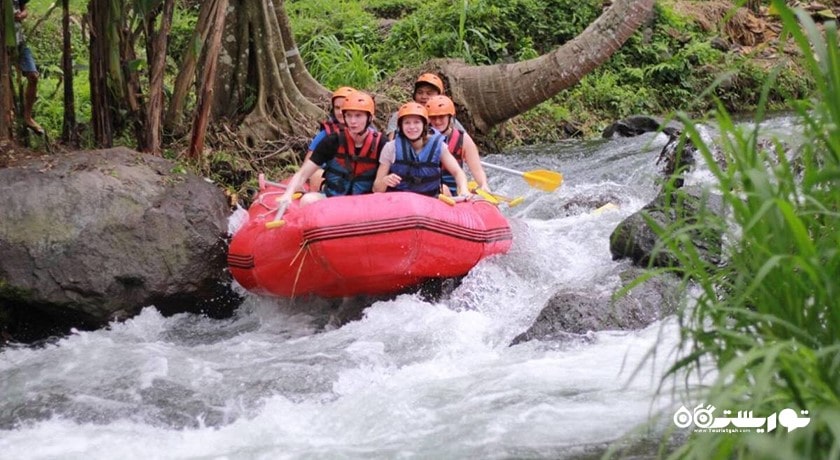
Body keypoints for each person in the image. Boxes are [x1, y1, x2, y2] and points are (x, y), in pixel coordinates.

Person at [279, 90, 386, 207]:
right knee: (307, 200)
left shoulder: (381, 143)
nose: (353, 121)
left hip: (366, 203)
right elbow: (303, 174)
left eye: (358, 116)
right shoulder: (332, 141)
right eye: (349, 115)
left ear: (370, 118)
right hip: (333, 200)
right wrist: (288, 194)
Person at [374, 102, 470, 197]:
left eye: (417, 122)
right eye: (407, 123)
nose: (412, 127)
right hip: (400, 201)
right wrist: (385, 181)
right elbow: (376, 189)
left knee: (445, 190)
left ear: (424, 125)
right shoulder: (390, 148)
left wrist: (464, 189)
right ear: (401, 126)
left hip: (429, 200)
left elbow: (457, 172)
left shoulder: (439, 146)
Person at [425, 95, 491, 194]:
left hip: (452, 193)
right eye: (433, 117)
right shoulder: (421, 138)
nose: (437, 121)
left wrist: (483, 184)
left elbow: (477, 170)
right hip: (426, 188)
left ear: (450, 117)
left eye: (442, 117)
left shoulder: (463, 139)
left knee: (444, 189)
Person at [304, 86, 357, 191]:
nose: (340, 112)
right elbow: (307, 165)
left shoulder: (369, 133)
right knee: (316, 175)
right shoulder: (325, 134)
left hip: (357, 177)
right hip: (330, 176)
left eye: (344, 107)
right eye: (337, 108)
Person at [385, 73, 464, 140]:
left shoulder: (446, 118)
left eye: (429, 93)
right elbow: (391, 142)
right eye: (420, 92)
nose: (424, 97)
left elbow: (463, 139)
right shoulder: (400, 115)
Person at [12, 0, 43, 134]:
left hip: (19, 42)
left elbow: (24, 10)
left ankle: (28, 117)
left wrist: (21, 15)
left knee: (33, 76)